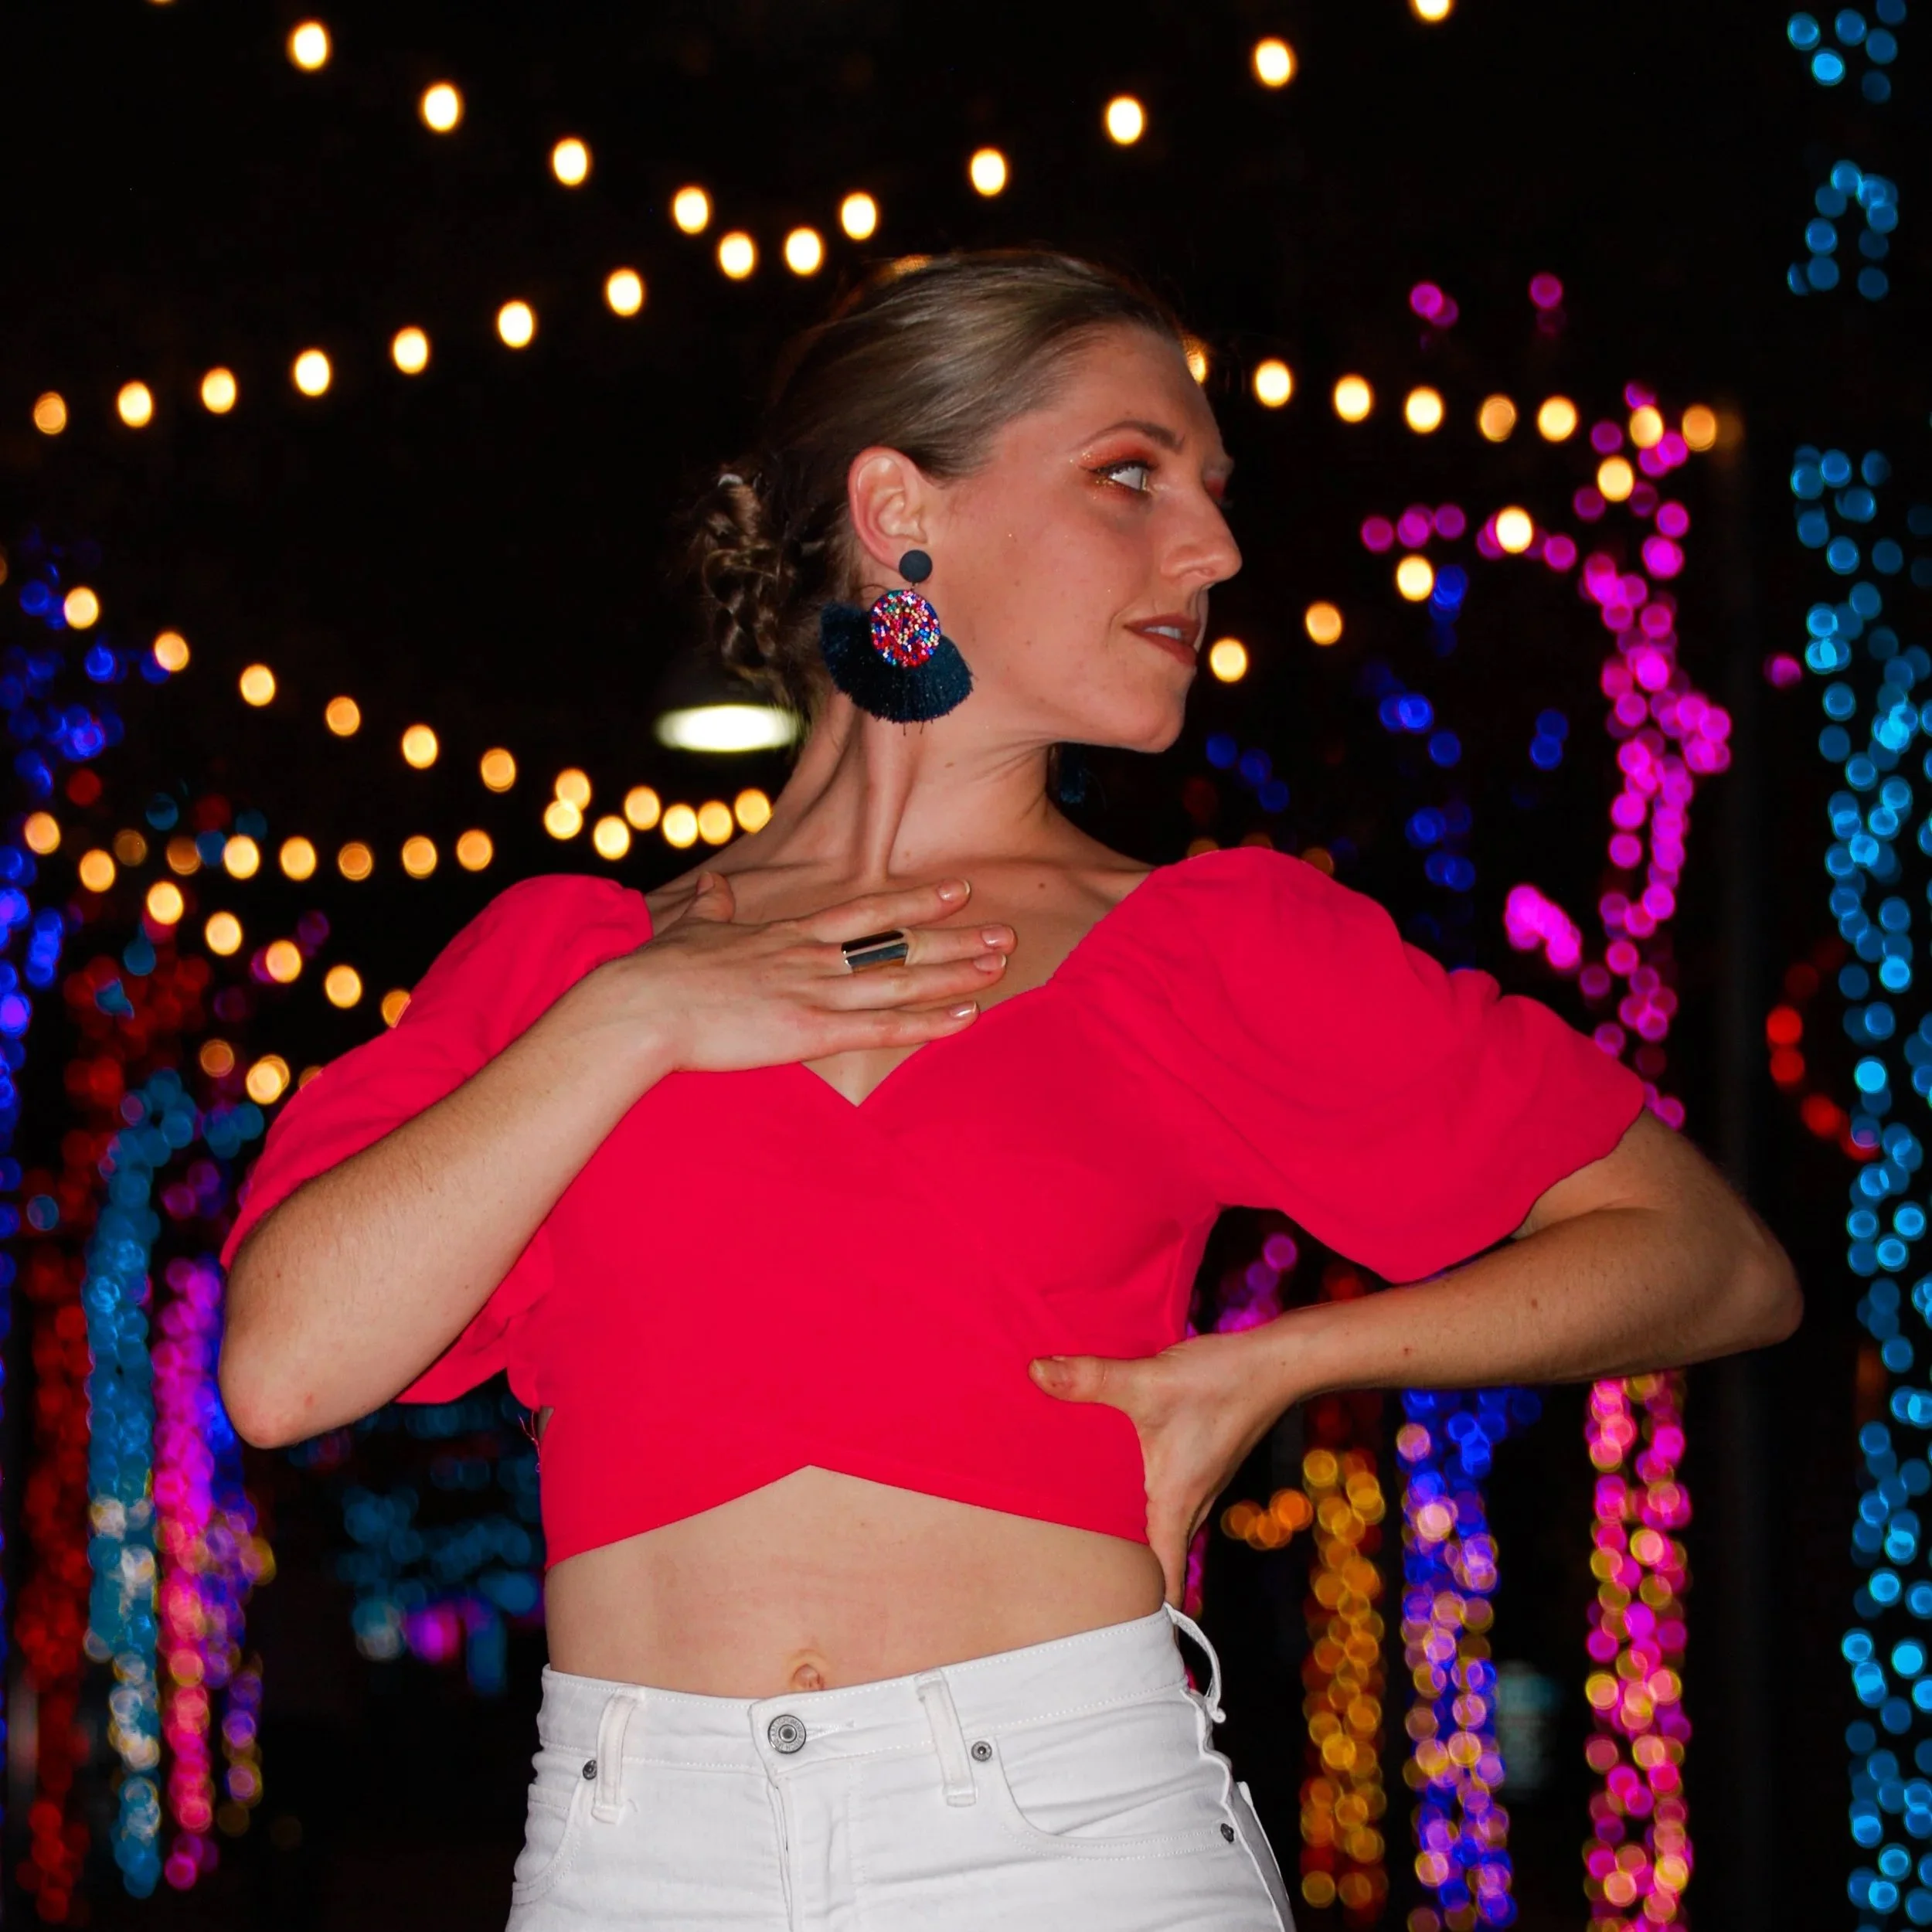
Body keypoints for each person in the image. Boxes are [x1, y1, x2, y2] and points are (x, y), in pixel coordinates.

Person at [217, 250, 1801, 1930]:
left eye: (1209, 492)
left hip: (1070, 1838)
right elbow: (284, 1364)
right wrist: (630, 1020)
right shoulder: (571, 965)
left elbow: (1713, 1257)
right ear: (902, 509)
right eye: (1129, 474)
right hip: (636, 1854)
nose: (1211, 547)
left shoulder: (1204, 942)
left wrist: (1275, 1362)